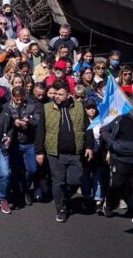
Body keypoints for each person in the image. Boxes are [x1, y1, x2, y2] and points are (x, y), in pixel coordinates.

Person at [35, 80, 92, 223]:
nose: (57, 97)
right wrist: (39, 151)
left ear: (68, 94)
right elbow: (41, 131)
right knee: (58, 181)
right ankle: (61, 209)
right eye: (55, 94)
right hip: (55, 153)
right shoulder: (47, 108)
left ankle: (65, 198)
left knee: (74, 180)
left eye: (60, 94)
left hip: (75, 153)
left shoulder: (79, 107)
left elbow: (88, 128)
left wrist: (89, 146)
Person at [99, 104, 133, 225]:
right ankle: (109, 204)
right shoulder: (120, 118)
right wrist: (113, 144)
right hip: (120, 158)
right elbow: (104, 130)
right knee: (117, 184)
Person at [4, 86, 42, 207]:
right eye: (17, 99)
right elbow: (4, 123)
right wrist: (14, 123)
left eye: (21, 99)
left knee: (32, 169)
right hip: (15, 142)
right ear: (12, 97)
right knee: (15, 170)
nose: (19, 102)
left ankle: (25, 187)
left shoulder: (32, 105)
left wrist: (29, 121)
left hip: (29, 142)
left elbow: (38, 121)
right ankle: (20, 191)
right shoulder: (7, 107)